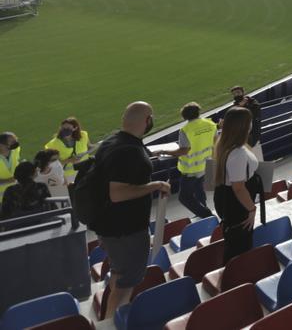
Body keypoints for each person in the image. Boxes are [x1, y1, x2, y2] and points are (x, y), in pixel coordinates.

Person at [93, 102, 172, 319]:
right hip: (125, 232)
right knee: (124, 287)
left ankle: (113, 319)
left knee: (120, 277)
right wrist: (156, 185)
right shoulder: (130, 151)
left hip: (111, 227)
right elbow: (117, 193)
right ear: (146, 120)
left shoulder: (111, 142)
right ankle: (113, 322)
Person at [212, 106, 258, 263]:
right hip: (238, 205)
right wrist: (252, 209)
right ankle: (234, 278)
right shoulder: (237, 153)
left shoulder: (224, 143)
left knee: (235, 243)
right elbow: (238, 187)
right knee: (240, 248)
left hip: (229, 202)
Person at [162, 103, 216, 219]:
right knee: (198, 189)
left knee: (184, 197)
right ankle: (203, 210)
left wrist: (164, 151)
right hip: (206, 164)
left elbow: (183, 151)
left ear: (184, 117)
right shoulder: (211, 124)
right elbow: (215, 142)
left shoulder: (185, 130)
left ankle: (206, 215)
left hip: (191, 169)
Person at [43, 117, 91, 183]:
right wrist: (70, 160)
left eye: (68, 128)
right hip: (67, 176)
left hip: (84, 170)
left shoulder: (83, 135)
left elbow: (90, 147)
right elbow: (50, 163)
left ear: (75, 128)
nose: (65, 130)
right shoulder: (53, 144)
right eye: (63, 128)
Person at [230, 86, 263, 160]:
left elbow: (254, 114)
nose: (237, 95)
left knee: (257, 159)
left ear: (243, 93)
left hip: (253, 135)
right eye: (234, 94)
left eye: (238, 92)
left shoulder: (253, 102)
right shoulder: (234, 107)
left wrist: (243, 106)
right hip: (242, 138)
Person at [0, 132, 20, 202]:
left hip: (16, 195)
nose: (16, 143)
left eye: (16, 140)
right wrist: (8, 180)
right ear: (2, 145)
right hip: (2, 200)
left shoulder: (15, 151)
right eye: (12, 142)